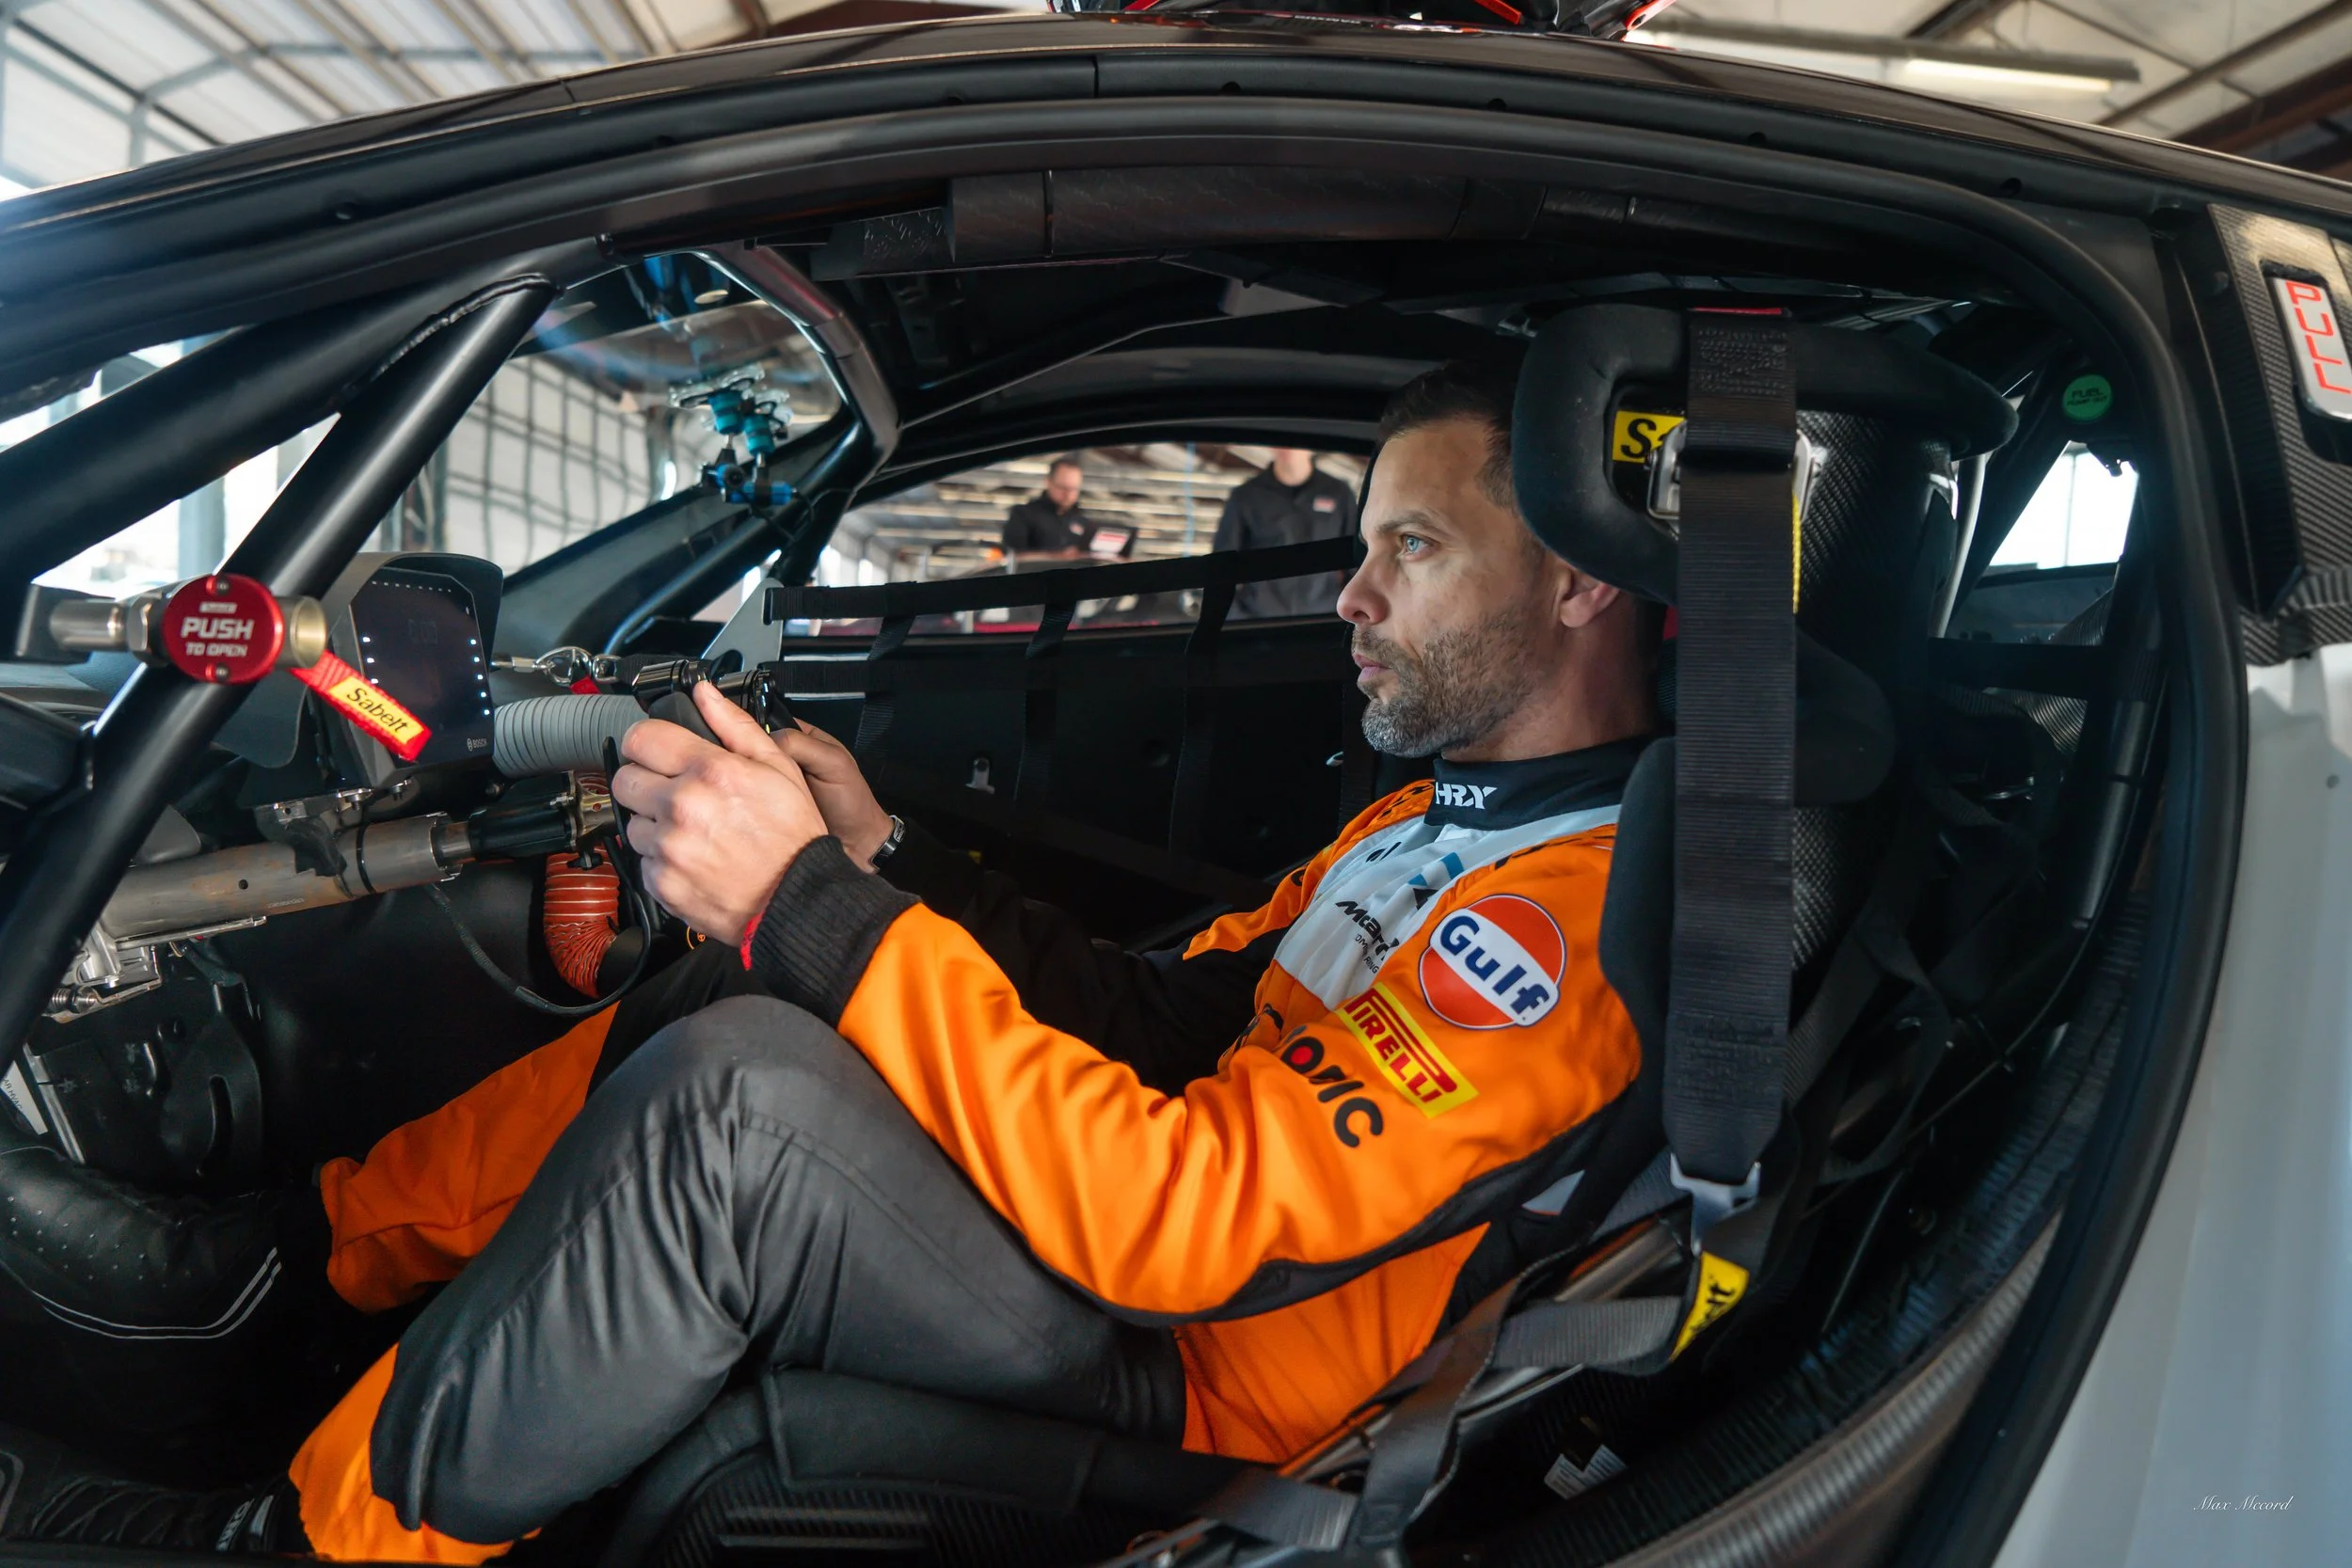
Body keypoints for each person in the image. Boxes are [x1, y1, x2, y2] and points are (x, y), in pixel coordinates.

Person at [1, 361, 1661, 1559]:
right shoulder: (1437, 823)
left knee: (742, 1106)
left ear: (1586, 575)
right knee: (748, 990)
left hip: (1207, 1379)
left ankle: (299, 1553)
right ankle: (291, 1272)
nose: (1354, 597)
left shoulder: (1570, 916)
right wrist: (874, 864)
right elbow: (1158, 1011)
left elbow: (1197, 1222)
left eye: (1413, 551)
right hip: (1135, 1285)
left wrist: (806, 900)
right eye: (1367, 546)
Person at [1211, 448, 1359, 617]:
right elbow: (1222, 561)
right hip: (1259, 617)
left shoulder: (1339, 493)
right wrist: (1235, 616)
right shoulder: (1246, 496)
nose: (1288, 449)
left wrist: (1349, 616)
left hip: (1322, 617)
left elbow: (1355, 558)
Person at [999, 455, 1101, 560]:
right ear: (1048, 482)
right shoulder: (1023, 515)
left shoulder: (1084, 522)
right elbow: (1011, 556)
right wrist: (1058, 557)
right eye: (1063, 488)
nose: (1068, 494)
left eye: (1074, 489)